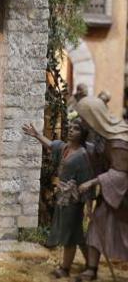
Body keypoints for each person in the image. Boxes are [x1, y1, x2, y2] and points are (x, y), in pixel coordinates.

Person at [22, 118, 93, 278]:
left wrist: (89, 207)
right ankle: (92, 264)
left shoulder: (82, 155)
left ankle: (65, 268)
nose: (70, 130)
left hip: (73, 200)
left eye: (76, 129)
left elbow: (87, 179)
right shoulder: (66, 148)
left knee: (70, 234)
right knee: (77, 234)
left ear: (82, 135)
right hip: (63, 197)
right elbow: (51, 145)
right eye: (71, 127)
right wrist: (36, 135)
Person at [75, 96, 128, 281]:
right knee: (97, 224)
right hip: (111, 193)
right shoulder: (101, 137)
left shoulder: (120, 141)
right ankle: (92, 269)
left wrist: (91, 183)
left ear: (93, 118)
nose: (81, 122)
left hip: (122, 196)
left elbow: (120, 174)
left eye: (83, 118)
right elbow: (98, 163)